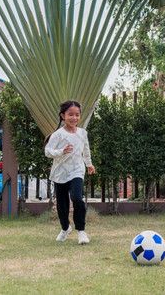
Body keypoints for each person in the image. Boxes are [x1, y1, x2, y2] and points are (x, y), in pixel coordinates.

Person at [44, 100, 96, 245]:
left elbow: (86, 151)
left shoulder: (82, 133)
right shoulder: (58, 135)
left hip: (77, 170)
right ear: (63, 116)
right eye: (70, 115)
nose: (74, 118)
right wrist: (62, 151)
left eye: (77, 115)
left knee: (77, 198)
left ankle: (81, 231)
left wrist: (89, 165)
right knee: (62, 204)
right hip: (60, 173)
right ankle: (65, 228)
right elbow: (47, 151)